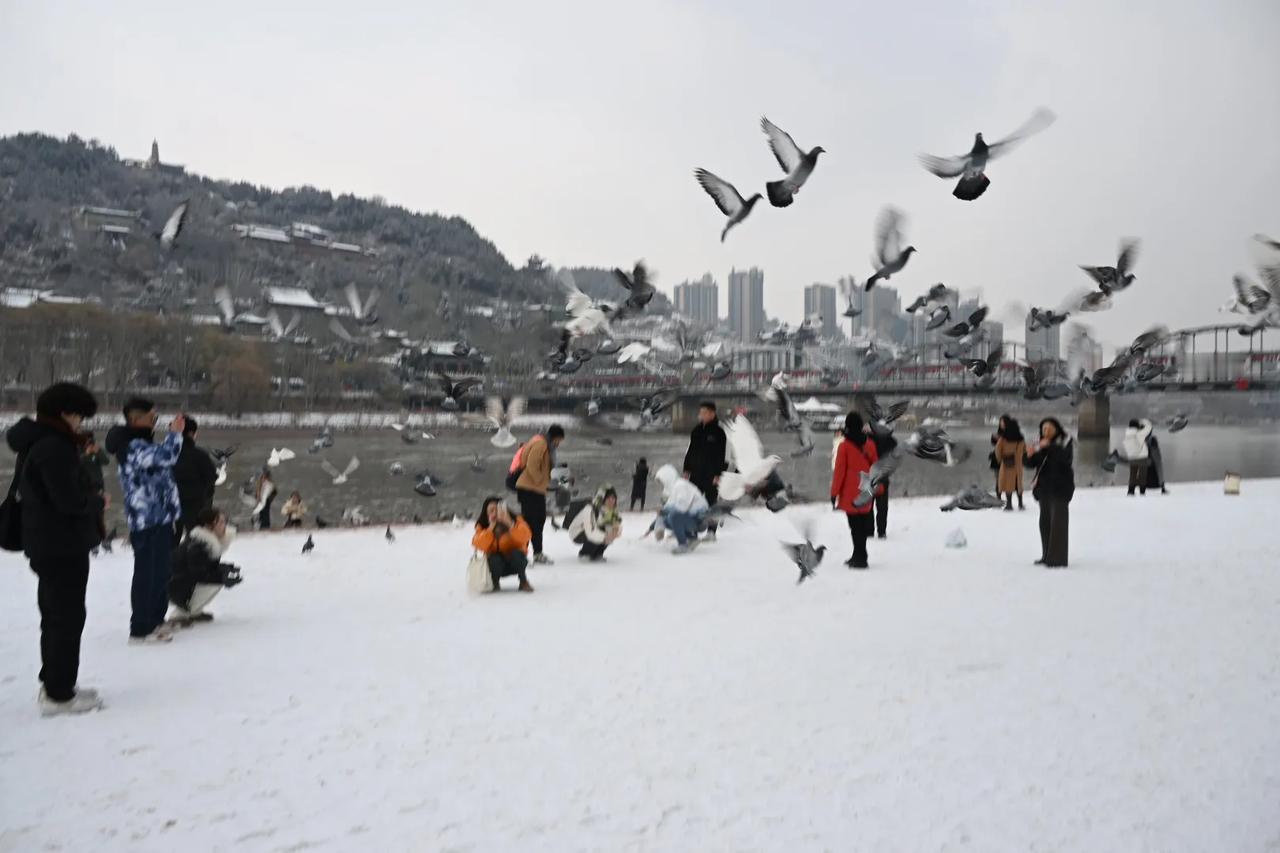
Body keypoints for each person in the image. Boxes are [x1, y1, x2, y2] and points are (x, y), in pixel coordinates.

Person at [6, 383, 107, 716]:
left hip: (46, 541)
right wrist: (95, 501)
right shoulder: (54, 447)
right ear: (66, 413)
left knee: (55, 615)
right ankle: (59, 694)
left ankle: (56, 682)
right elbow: (67, 500)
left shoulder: (36, 443)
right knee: (65, 617)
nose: (80, 423)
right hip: (60, 544)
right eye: (79, 416)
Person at [105, 398, 184, 644]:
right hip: (147, 520)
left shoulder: (139, 443)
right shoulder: (131, 447)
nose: (155, 423)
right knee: (147, 573)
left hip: (160, 518)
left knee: (160, 572)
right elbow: (166, 456)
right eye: (153, 418)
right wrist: (175, 434)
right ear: (136, 419)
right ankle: (141, 627)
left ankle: (156, 619)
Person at [168, 507, 243, 624]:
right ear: (209, 526)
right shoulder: (198, 545)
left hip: (179, 585)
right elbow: (197, 574)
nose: (225, 525)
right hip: (176, 588)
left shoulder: (206, 542)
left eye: (225, 521)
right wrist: (222, 576)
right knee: (214, 582)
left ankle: (193, 611)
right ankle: (180, 614)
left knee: (216, 580)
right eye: (221, 522)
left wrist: (225, 569)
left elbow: (205, 567)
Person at [830, 412, 880, 569]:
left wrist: (834, 493)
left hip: (850, 493)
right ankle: (859, 554)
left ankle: (860, 558)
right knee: (863, 525)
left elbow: (839, 472)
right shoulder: (870, 444)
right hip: (865, 491)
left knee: (855, 527)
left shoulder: (844, 446)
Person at [1026, 417, 1074, 568]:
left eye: (1049, 428)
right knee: (1045, 523)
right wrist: (1028, 455)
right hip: (1044, 488)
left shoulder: (1065, 441)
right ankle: (1046, 555)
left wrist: (1050, 447)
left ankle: (1057, 559)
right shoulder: (1039, 443)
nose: (1045, 431)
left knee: (1058, 524)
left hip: (1060, 488)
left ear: (1056, 428)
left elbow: (1065, 459)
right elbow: (1032, 463)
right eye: (1043, 429)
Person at [514, 424, 564, 564]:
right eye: (559, 440)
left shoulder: (545, 445)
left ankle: (537, 553)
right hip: (529, 489)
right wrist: (540, 481)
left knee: (538, 521)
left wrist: (564, 480)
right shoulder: (541, 444)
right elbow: (532, 465)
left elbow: (548, 470)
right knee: (530, 523)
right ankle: (521, 555)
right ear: (555, 437)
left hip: (534, 489)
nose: (559, 444)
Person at [682, 402, 726, 540]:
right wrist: (686, 469)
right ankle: (692, 530)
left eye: (704, 412)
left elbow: (722, 455)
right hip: (695, 473)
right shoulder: (696, 431)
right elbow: (690, 451)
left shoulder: (719, 433)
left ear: (712, 413)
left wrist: (719, 474)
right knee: (694, 501)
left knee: (711, 502)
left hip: (712, 474)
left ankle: (711, 532)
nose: (701, 415)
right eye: (700, 412)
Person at [472, 496, 534, 592]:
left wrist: (509, 524)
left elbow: (527, 536)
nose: (495, 513)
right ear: (486, 514)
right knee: (494, 558)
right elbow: (478, 544)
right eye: (491, 511)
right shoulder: (482, 526)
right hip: (496, 566)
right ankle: (495, 582)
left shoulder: (516, 521)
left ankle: (523, 581)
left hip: (516, 563)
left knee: (516, 554)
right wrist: (490, 528)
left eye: (498, 510)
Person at [172, 415, 217, 537]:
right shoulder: (200, 455)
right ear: (192, 433)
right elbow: (211, 478)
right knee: (197, 540)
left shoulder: (166, 455)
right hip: (196, 507)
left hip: (171, 506)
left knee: (172, 542)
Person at [653, 464, 709, 554]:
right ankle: (692, 538)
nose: (662, 484)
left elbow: (682, 507)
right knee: (666, 520)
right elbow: (668, 507)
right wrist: (658, 524)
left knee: (674, 516)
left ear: (667, 478)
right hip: (691, 517)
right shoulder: (674, 489)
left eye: (662, 481)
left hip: (699, 519)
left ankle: (683, 545)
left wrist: (664, 511)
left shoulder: (680, 486)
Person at [567, 484, 622, 562]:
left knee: (609, 531)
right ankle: (584, 554)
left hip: (594, 530)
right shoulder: (590, 509)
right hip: (578, 532)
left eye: (613, 498)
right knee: (601, 533)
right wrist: (605, 537)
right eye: (608, 498)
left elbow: (618, 526)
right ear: (602, 499)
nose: (611, 500)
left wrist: (615, 533)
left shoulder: (613, 511)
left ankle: (597, 554)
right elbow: (590, 531)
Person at [79, 432, 110, 544]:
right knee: (87, 512)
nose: (89, 444)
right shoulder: (79, 449)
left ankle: (102, 537)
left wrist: (98, 451)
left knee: (100, 511)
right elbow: (77, 464)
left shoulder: (96, 451)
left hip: (98, 485)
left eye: (91, 441)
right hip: (85, 486)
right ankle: (89, 538)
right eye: (87, 441)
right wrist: (86, 454)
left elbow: (106, 461)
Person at [993, 414, 1027, 511]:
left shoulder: (1003, 439)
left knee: (1008, 484)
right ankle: (1020, 504)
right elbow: (1024, 450)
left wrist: (1000, 459)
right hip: (1018, 464)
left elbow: (997, 450)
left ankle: (1009, 505)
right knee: (1018, 484)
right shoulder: (1021, 439)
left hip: (1007, 464)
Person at [868, 428, 897, 538]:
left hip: (869, 474)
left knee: (868, 505)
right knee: (882, 505)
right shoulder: (890, 442)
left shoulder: (868, 439)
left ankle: (869, 530)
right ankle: (881, 531)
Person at [1122, 418, 1152, 495]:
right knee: (1142, 475)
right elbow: (1149, 427)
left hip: (1132, 457)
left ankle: (1131, 491)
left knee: (1132, 475)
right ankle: (1142, 491)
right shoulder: (1139, 434)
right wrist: (1144, 421)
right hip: (1142, 457)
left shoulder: (1127, 434)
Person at [1145, 430, 1169, 495]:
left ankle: (1144, 488)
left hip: (1150, 460)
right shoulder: (1152, 439)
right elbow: (1155, 450)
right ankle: (1162, 488)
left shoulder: (1145, 439)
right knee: (1158, 473)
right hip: (1154, 460)